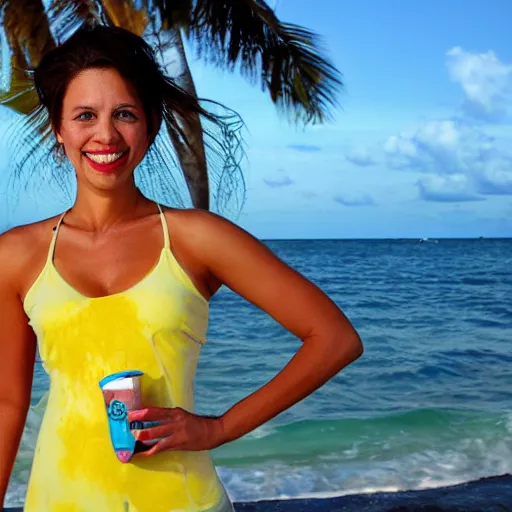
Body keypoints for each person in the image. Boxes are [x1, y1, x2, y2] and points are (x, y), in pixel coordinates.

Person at [0, 24, 363, 512]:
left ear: (149, 126)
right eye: (85, 115)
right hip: (58, 499)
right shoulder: (17, 255)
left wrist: (217, 428)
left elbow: (335, 338)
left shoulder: (196, 238)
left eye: (124, 114)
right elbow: (7, 405)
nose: (105, 134)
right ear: (58, 129)